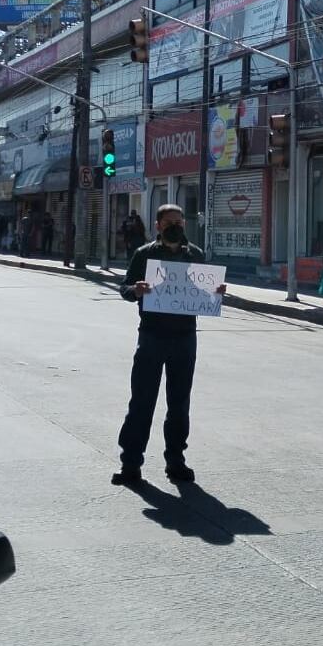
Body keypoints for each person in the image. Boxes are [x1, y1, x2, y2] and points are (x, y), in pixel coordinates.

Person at [111, 204, 227, 485]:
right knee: (142, 400)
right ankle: (131, 464)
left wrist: (216, 292)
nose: (175, 225)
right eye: (169, 222)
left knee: (179, 402)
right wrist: (135, 290)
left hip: (185, 337)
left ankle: (176, 460)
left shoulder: (195, 255)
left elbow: (204, 291)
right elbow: (125, 287)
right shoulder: (145, 254)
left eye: (179, 221)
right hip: (151, 335)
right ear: (158, 225)